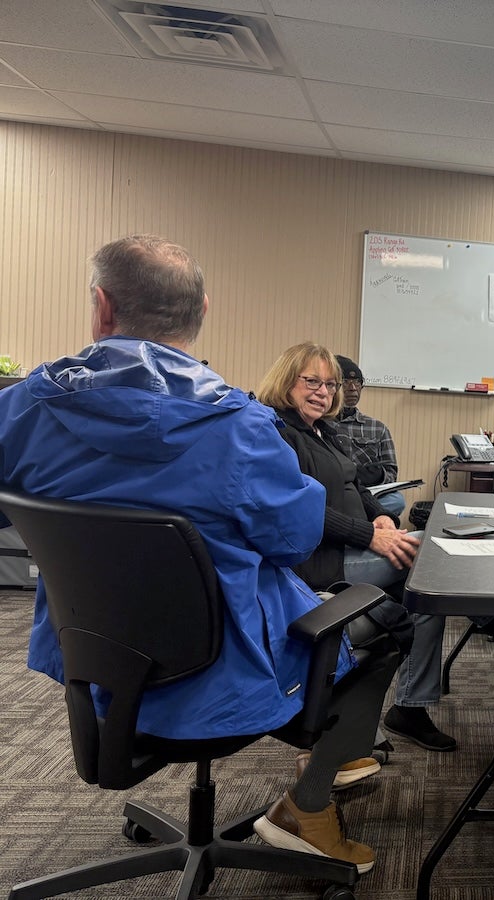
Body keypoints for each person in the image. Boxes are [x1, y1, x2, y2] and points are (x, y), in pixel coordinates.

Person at [0, 235, 402, 874]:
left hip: (98, 665)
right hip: (225, 681)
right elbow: (296, 540)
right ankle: (307, 806)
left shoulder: (19, 410)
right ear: (201, 311)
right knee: (389, 629)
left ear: (101, 308)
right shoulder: (242, 429)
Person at [257, 343, 458, 753]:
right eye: (311, 381)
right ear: (286, 381)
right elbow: (301, 512)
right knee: (429, 556)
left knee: (422, 600)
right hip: (319, 562)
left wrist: (379, 515)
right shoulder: (276, 433)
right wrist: (370, 536)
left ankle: (403, 709)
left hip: (351, 546)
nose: (323, 392)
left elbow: (355, 486)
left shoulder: (323, 432)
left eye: (330, 384)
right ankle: (375, 713)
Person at [334, 355, 407, 520]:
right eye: (345, 381)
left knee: (397, 500)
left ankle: (353, 518)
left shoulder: (377, 428)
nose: (353, 388)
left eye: (358, 382)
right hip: (335, 492)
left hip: (368, 493)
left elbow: (391, 474)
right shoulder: (320, 424)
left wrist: (377, 475)